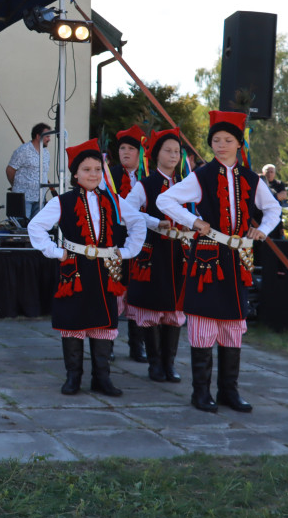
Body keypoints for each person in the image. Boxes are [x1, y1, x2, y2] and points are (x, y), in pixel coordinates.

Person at [157, 110, 281, 414]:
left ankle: (229, 391)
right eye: (216, 140)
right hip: (207, 259)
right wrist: (193, 220)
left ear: (239, 144)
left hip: (237, 260)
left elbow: (274, 210)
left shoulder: (252, 178)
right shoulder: (202, 175)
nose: (221, 145)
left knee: (232, 326)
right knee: (202, 323)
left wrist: (261, 231)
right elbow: (165, 200)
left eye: (227, 140)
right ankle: (201, 393)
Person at [27, 138, 145, 397]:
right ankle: (73, 377)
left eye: (97, 169)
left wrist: (127, 252)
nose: (93, 174)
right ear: (75, 173)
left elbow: (137, 221)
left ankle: (102, 378)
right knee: (73, 320)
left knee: (104, 321)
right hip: (75, 269)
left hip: (105, 270)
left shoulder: (113, 200)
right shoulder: (63, 201)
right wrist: (57, 252)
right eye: (87, 169)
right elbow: (35, 227)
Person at [125, 128, 188, 383]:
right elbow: (125, 211)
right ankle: (154, 363)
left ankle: (169, 364)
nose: (173, 155)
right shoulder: (146, 184)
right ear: (156, 154)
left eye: (177, 151)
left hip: (179, 252)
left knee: (175, 307)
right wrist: (153, 222)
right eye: (168, 151)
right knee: (153, 305)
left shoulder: (185, 184)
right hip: (154, 252)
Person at [108, 124, 148, 363]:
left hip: (144, 242)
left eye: (131, 148)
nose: (125, 152)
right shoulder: (109, 175)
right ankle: (108, 342)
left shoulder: (148, 177)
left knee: (138, 292)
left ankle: (137, 345)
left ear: (140, 152)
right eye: (122, 147)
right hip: (117, 240)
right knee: (115, 291)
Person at [6, 122, 51, 218]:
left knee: (37, 227)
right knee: (22, 227)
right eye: (47, 136)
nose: (49, 139)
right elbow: (10, 169)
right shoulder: (23, 150)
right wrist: (16, 185)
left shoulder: (46, 153)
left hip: (40, 197)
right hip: (24, 197)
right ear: (38, 136)